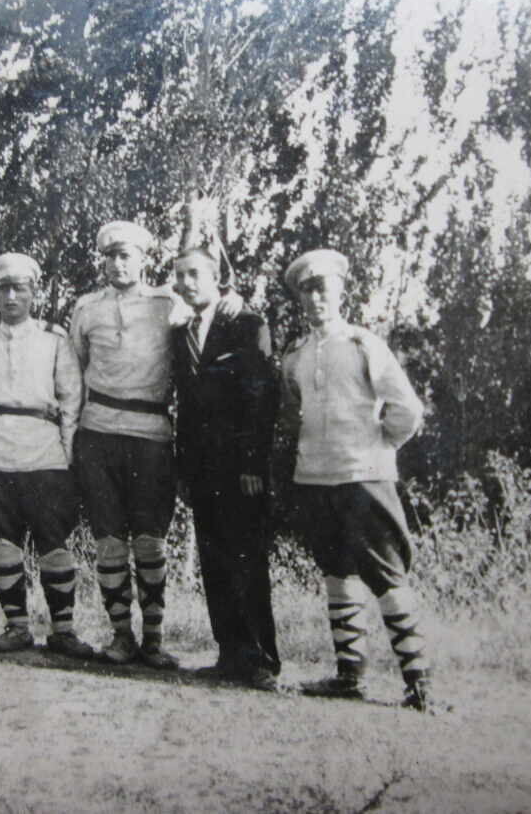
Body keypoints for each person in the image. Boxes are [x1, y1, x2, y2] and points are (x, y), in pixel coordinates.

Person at [69, 221, 239, 668]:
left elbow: (210, 313)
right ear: (102, 260)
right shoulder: (85, 309)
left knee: (150, 542)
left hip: (151, 436)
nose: (118, 263)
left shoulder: (169, 303)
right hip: (98, 431)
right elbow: (76, 372)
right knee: (108, 540)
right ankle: (121, 636)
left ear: (143, 260)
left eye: (127, 255)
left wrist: (233, 299)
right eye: (111, 256)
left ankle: (154, 640)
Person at [280, 249, 434, 711]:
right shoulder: (297, 355)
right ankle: (349, 674)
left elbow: (406, 408)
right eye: (306, 289)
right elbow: (290, 415)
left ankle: (418, 681)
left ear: (341, 289)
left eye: (323, 286)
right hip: (316, 476)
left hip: (364, 475)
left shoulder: (365, 344)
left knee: (387, 574)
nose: (315, 297)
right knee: (336, 572)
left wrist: (379, 445)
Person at [0, 253, 94, 659]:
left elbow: (72, 401)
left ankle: (64, 631)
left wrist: (70, 459)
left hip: (45, 455)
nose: (12, 296)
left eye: (20, 287)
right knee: (2, 542)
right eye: (4, 288)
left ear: (34, 291)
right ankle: (16, 627)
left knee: (54, 543)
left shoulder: (55, 340)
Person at [170, 247, 280, 691]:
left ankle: (262, 659)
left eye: (195, 273)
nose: (186, 282)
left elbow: (261, 397)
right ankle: (229, 654)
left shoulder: (246, 324)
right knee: (214, 560)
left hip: (240, 470)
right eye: (180, 276)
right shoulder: (180, 334)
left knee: (246, 560)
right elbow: (186, 406)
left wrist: (253, 462)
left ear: (217, 278)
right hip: (200, 469)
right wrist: (182, 469)